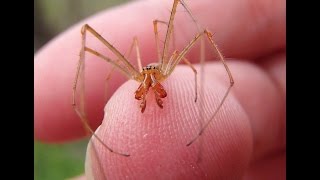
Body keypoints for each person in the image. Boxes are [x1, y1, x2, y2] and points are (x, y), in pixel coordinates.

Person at [34, 0, 286, 179]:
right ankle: (102, 145)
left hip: (165, 66)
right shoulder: (137, 72)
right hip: (144, 68)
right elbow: (91, 47)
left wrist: (196, 73)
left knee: (201, 33)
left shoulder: (167, 64)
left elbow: (202, 35)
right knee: (87, 39)